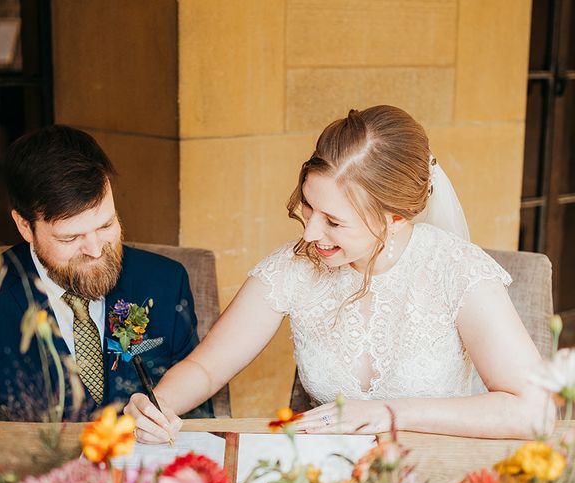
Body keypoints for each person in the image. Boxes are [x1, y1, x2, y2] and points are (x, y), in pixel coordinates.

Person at [126, 105, 550, 442]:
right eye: (309, 207)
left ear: (395, 218)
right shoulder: (293, 267)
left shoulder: (456, 271)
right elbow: (206, 370)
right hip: (327, 479)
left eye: (334, 220)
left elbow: (535, 410)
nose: (310, 233)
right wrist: (157, 404)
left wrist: (389, 414)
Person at [0, 124, 209, 421]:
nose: (95, 250)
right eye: (70, 238)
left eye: (106, 226)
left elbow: (198, 418)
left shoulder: (165, 283)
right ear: (24, 226)